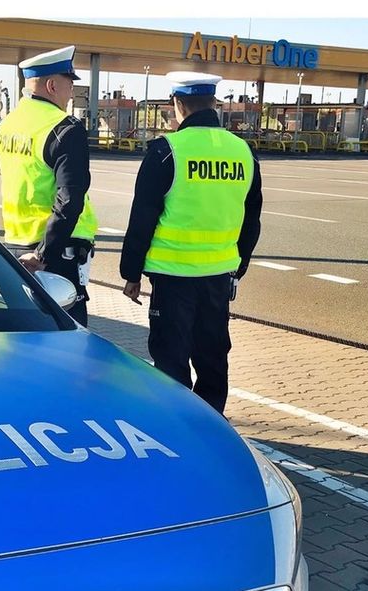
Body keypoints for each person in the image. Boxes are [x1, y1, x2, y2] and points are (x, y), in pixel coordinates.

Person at [119, 72, 262, 414]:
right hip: (219, 276)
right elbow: (251, 218)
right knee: (213, 357)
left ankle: (177, 426)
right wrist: (238, 264)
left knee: (171, 359)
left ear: (178, 104)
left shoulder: (166, 151)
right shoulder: (242, 151)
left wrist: (131, 272)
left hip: (172, 278)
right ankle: (211, 424)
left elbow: (143, 218)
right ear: (213, 103)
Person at [0, 45, 97, 326]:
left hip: (16, 245)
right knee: (67, 338)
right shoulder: (65, 127)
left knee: (26, 330)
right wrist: (44, 253)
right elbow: (69, 199)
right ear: (52, 85)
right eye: (69, 85)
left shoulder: (5, 126)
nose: (71, 93)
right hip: (54, 253)